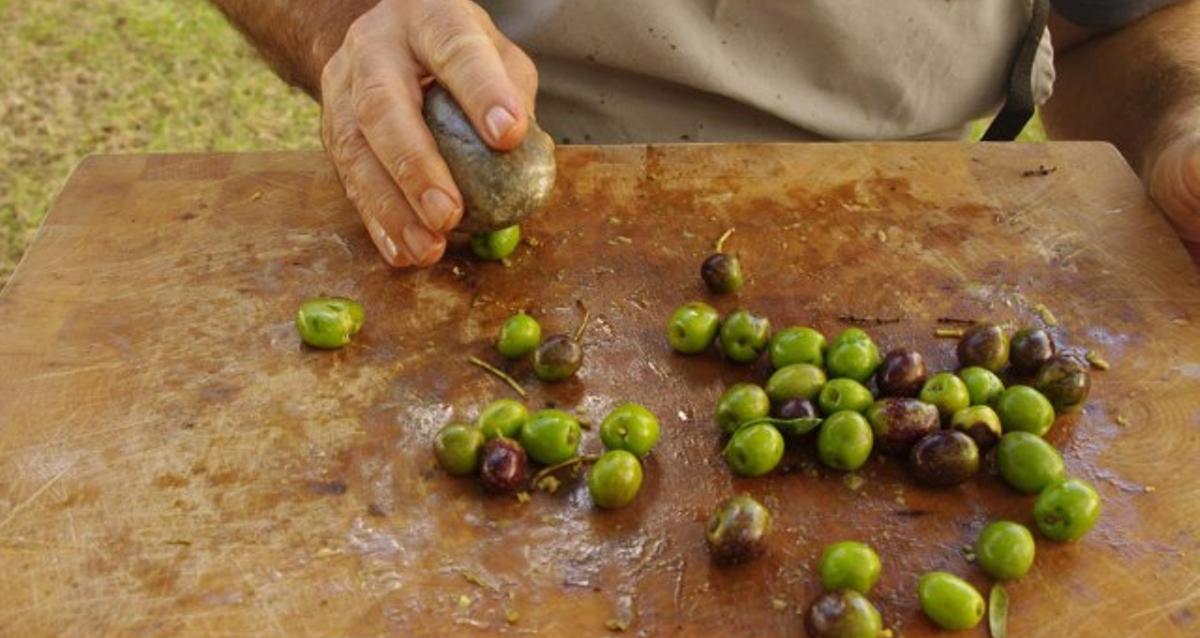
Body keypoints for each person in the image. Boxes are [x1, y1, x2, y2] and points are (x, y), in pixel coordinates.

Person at [210, 0, 1200, 267]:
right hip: (480, 235)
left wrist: (1182, 117)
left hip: (912, 249)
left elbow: (1126, 26)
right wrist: (347, 25)